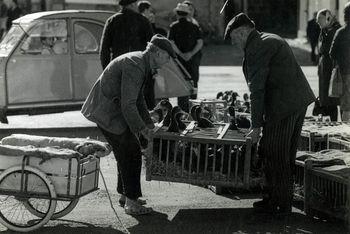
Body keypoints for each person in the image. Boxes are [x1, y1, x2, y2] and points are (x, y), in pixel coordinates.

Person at [224, 13, 315, 216]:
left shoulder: (258, 46)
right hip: (293, 103)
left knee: (275, 154)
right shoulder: (267, 38)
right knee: (281, 153)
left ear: (242, 32)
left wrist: (255, 127)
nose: (233, 43)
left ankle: (280, 205)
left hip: (283, 107)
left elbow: (257, 89)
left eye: (233, 38)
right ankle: (277, 200)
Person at [82, 34, 176, 215]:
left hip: (109, 108)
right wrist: (142, 130)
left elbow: (137, 98)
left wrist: (148, 124)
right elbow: (128, 104)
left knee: (125, 151)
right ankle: (132, 202)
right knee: (131, 150)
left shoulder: (140, 61)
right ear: (158, 53)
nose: (168, 61)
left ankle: (127, 195)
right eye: (167, 57)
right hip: (105, 110)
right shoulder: (136, 64)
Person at [168, 3, 203, 112]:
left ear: (177, 14)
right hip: (192, 61)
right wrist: (190, 54)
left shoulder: (173, 26)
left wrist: (181, 54)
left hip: (179, 60)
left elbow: (171, 42)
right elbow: (200, 42)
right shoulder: (194, 26)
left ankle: (182, 112)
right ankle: (194, 110)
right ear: (187, 14)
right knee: (193, 83)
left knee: (181, 84)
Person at [99, 0, 153, 70]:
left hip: (118, 66)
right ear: (132, 4)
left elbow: (104, 49)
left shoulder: (112, 21)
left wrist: (106, 69)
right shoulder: (143, 21)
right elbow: (151, 46)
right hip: (138, 67)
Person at [316, 9, 341, 121]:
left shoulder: (335, 30)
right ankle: (329, 119)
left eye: (319, 19)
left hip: (331, 67)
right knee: (325, 97)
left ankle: (335, 121)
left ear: (327, 18)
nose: (317, 22)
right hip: (323, 67)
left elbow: (329, 49)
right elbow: (320, 49)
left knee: (333, 98)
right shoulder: (324, 30)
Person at [330, 3, 350, 121]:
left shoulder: (341, 32)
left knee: (346, 104)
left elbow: (332, 53)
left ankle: (346, 133)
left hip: (345, 72)